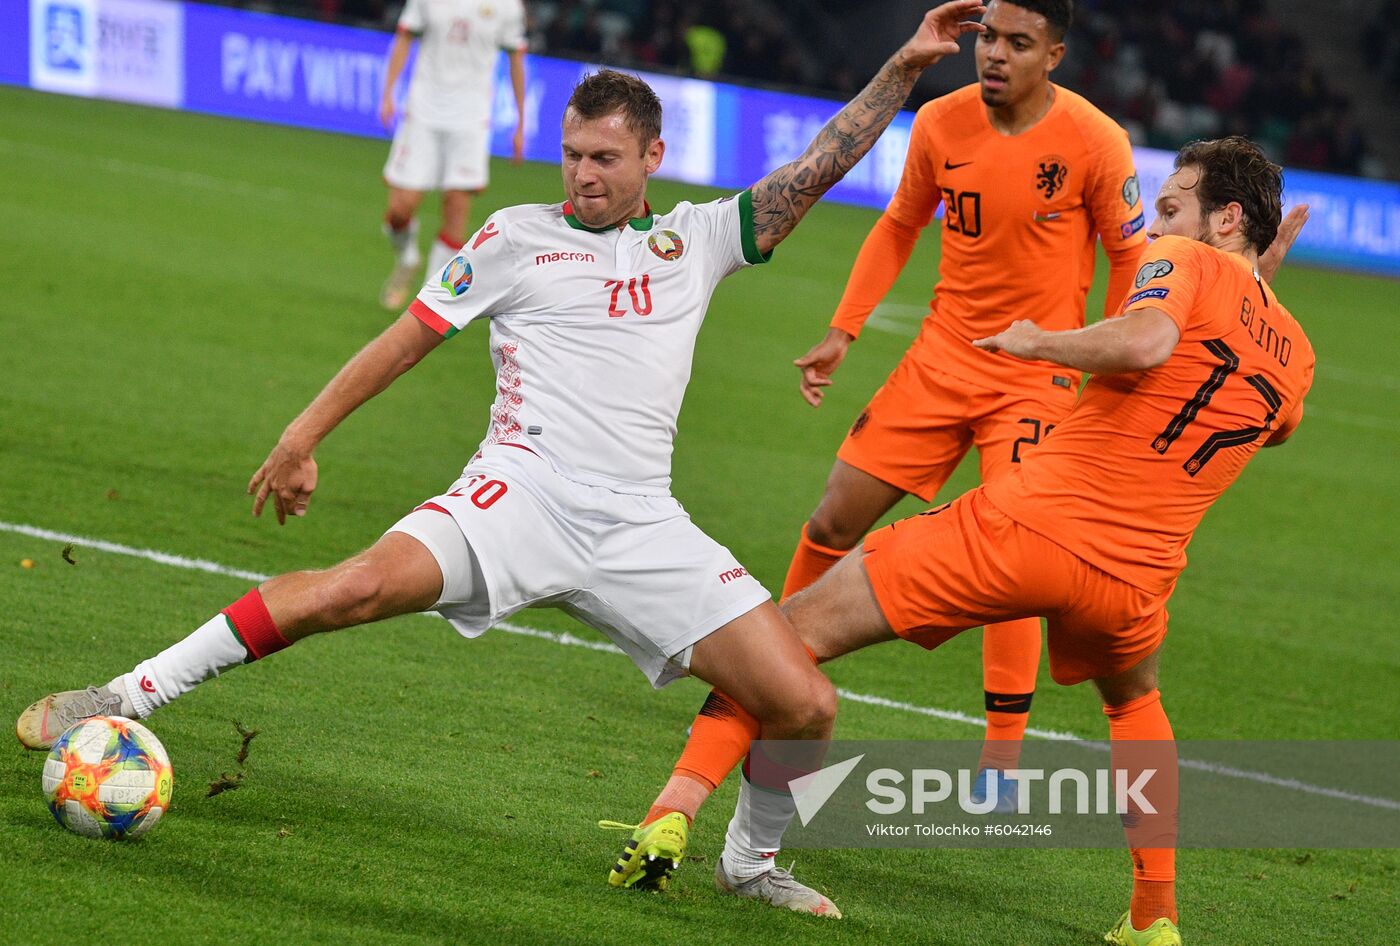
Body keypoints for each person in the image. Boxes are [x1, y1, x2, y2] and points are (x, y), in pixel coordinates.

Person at [15, 2, 992, 920]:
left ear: (652, 155)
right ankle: (128, 694)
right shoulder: (511, 237)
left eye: (604, 158)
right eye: (571, 154)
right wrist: (302, 433)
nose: (582, 175)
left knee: (804, 700)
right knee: (347, 589)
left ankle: (749, 863)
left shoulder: (695, 239)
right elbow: (404, 339)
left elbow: (813, 170)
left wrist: (901, 68)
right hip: (512, 500)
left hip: (640, 525)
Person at [617, 135, 1315, 944]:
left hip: (1028, 527)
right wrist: (1260, 291)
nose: (1152, 226)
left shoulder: (1186, 264)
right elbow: (1276, 426)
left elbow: (1149, 342)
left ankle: (675, 810)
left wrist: (1041, 342)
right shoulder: (1297, 351)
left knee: (786, 636)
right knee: (1133, 703)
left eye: (1170, 207)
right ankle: (1153, 919)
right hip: (1137, 580)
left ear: (1226, 219)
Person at [377, 0, 528, 311]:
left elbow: (516, 59)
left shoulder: (508, 6)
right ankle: (407, 258)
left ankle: (427, 302)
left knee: (456, 211)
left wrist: (520, 122)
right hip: (422, 112)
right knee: (399, 210)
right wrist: (388, 93)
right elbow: (405, 37)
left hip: (470, 119)